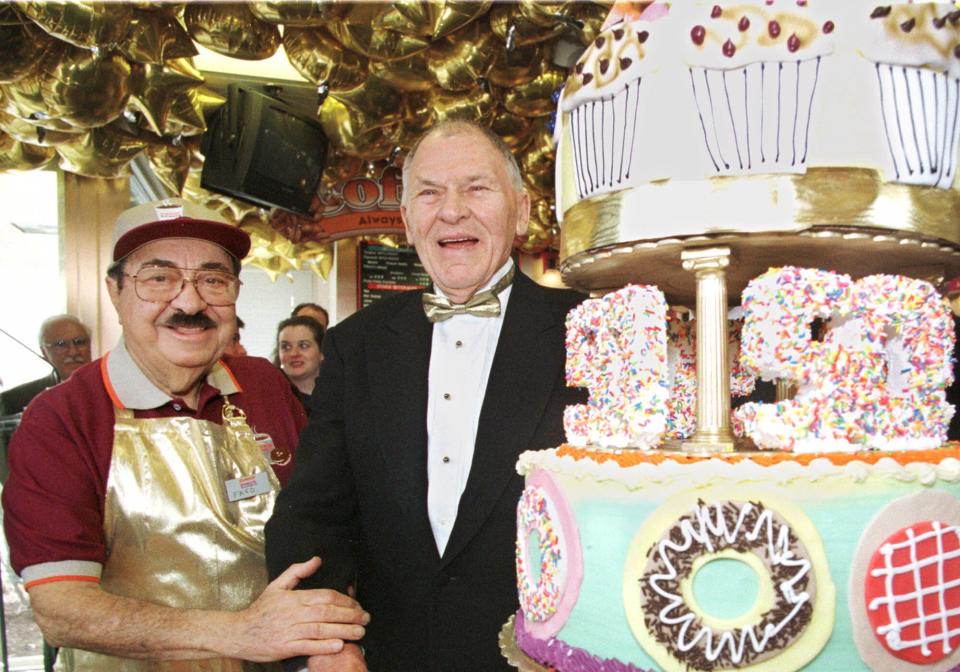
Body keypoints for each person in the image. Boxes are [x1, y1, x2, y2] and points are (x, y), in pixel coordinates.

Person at [265, 120, 587, 671]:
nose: (452, 210)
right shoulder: (356, 344)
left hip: (548, 660)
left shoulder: (588, 330)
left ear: (524, 210)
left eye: (476, 188)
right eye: (429, 193)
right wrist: (326, 641)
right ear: (409, 222)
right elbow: (315, 513)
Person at [2, 198, 368, 671]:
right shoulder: (63, 418)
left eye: (213, 280)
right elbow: (62, 610)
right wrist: (242, 634)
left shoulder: (262, 385)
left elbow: (323, 527)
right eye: (159, 278)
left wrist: (331, 643)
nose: (190, 302)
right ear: (115, 291)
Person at [0, 314, 92, 416]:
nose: (73, 352)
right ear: (44, 352)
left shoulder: (109, 387)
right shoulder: (14, 400)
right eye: (61, 344)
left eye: (80, 342)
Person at [276, 315, 324, 413]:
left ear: (322, 352)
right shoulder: (272, 399)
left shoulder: (340, 398)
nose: (294, 353)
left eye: (303, 346)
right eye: (286, 347)